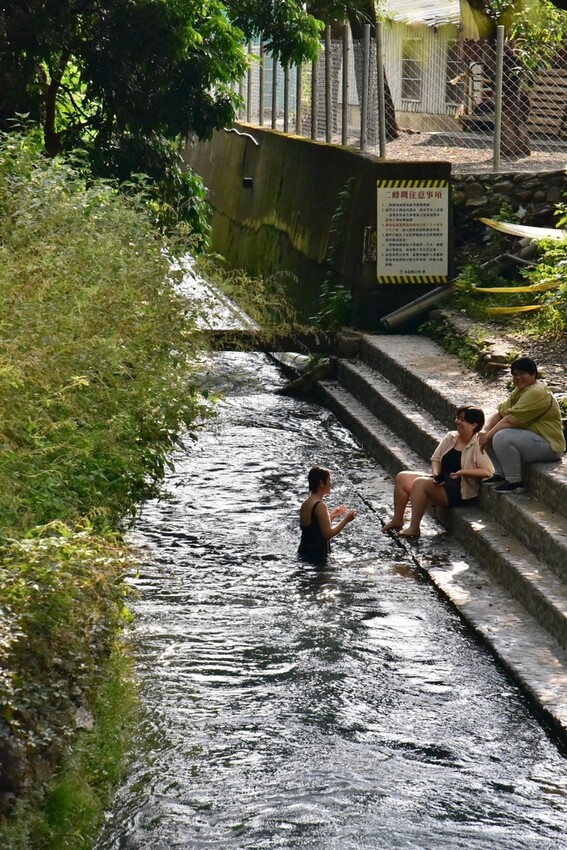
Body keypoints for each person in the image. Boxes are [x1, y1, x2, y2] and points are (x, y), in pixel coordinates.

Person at [382, 406, 493, 538]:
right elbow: (436, 459)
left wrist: (463, 472)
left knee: (420, 483)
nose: (458, 422)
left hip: (459, 491)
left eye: (462, 420)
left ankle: (414, 527)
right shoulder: (451, 437)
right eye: (458, 418)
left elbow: (487, 471)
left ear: (474, 424)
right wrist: (435, 474)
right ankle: (397, 519)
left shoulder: (477, 444)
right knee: (402, 477)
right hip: (442, 481)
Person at [478, 356, 565, 494]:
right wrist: (485, 431)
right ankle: (501, 474)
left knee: (501, 436)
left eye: (522, 373)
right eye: (515, 374)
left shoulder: (537, 391)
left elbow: (510, 420)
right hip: (532, 440)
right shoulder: (519, 391)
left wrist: (488, 436)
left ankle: (515, 482)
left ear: (533, 374)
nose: (518, 378)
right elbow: (500, 413)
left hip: (550, 445)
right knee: (489, 432)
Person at [298, 466, 356, 562]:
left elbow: (313, 528)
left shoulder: (306, 502)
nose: (331, 483)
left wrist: (331, 516)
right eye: (329, 480)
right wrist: (346, 519)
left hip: (304, 551)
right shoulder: (320, 505)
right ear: (321, 483)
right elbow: (328, 534)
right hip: (317, 556)